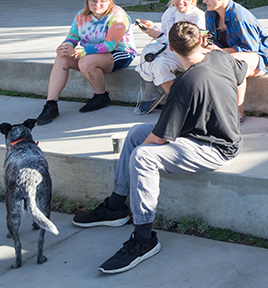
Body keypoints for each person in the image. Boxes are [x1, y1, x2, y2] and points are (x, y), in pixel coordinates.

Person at [72, 21, 246, 274]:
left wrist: (134, 158)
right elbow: (245, 68)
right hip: (200, 134)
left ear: (172, 51)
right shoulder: (219, 57)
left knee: (143, 156)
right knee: (134, 133)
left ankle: (144, 238)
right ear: (200, 41)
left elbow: (158, 139)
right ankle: (115, 207)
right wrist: (239, 106)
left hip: (215, 147)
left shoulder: (184, 84)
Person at [36, 0, 136, 125]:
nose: (97, 4)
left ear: (110, 1)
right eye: (93, 1)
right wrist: (65, 46)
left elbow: (110, 45)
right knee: (62, 57)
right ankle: (51, 104)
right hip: (89, 54)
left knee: (85, 61)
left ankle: (101, 96)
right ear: (87, 0)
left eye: (102, 1)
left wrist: (82, 52)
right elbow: (72, 37)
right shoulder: (81, 15)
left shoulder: (118, 15)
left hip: (119, 53)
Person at [202, 0, 268, 118]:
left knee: (235, 63)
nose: (204, 1)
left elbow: (251, 49)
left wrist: (220, 51)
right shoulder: (210, 14)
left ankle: (238, 113)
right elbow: (212, 41)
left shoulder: (239, 16)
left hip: (259, 59)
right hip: (225, 55)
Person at [134, 0, 206, 114]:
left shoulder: (198, 16)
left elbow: (190, 45)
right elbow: (166, 38)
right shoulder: (169, 12)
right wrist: (152, 29)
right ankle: (177, 101)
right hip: (172, 51)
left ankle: (160, 97)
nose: (180, 1)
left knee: (157, 62)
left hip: (187, 54)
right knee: (149, 55)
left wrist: (157, 35)